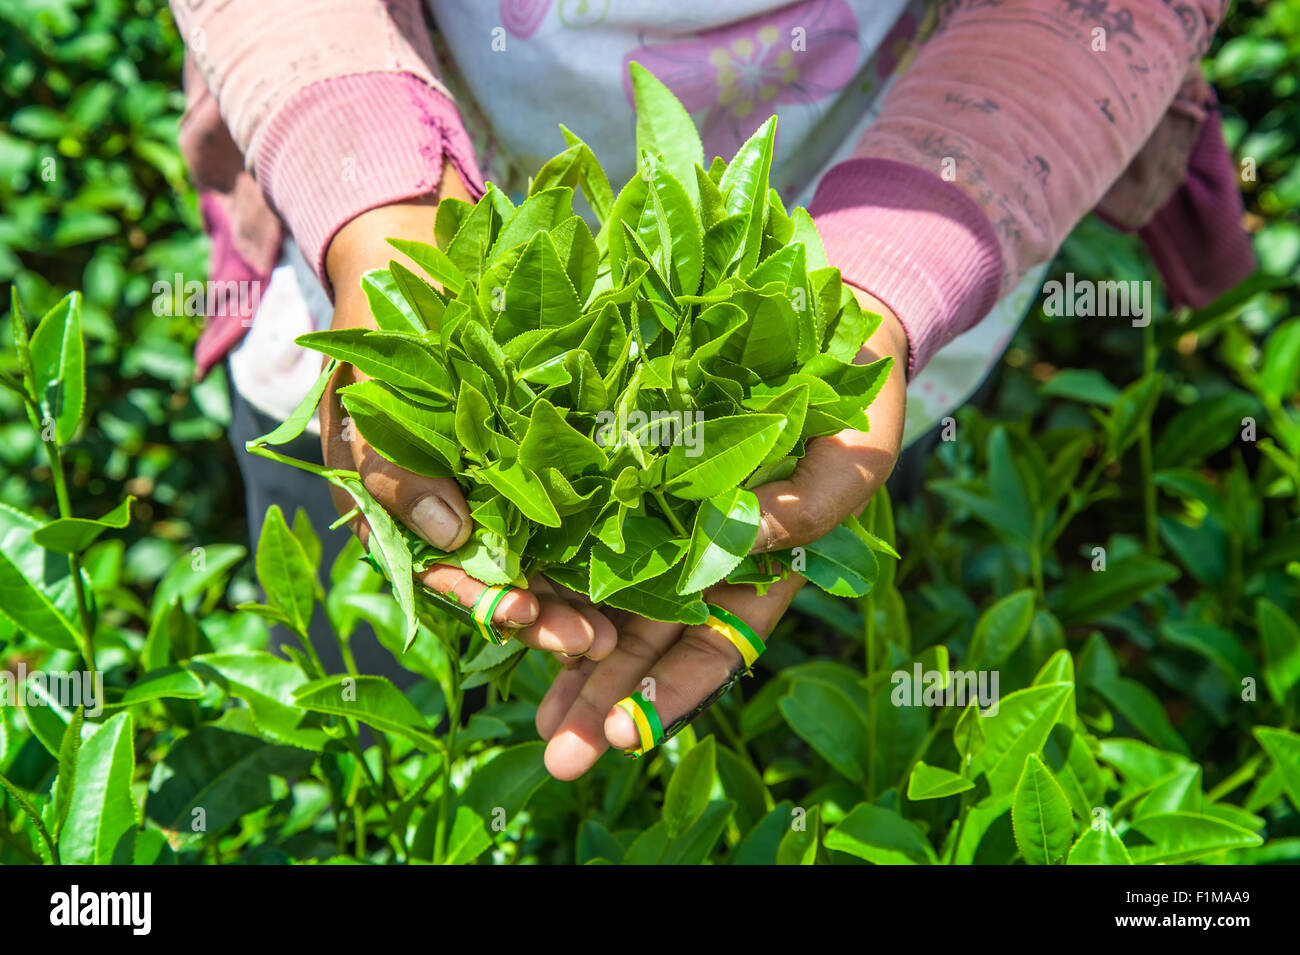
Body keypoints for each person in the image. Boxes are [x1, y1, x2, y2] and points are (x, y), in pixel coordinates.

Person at [170, 0, 1253, 780]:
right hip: (394, 186)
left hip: (892, 201)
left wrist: (881, 297)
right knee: (360, 605)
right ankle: (371, 778)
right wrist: (375, 212)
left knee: (829, 492)